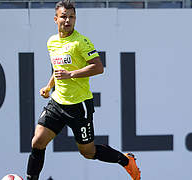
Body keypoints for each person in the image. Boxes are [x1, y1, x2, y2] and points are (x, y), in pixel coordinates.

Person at [25, 1, 141, 180]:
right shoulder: (52, 42)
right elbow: (58, 69)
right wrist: (49, 86)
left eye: (71, 17)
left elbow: (98, 67)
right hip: (57, 103)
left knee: (87, 152)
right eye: (64, 16)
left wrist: (70, 74)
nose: (67, 20)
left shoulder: (80, 42)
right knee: (38, 141)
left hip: (79, 106)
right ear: (55, 19)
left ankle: (125, 160)